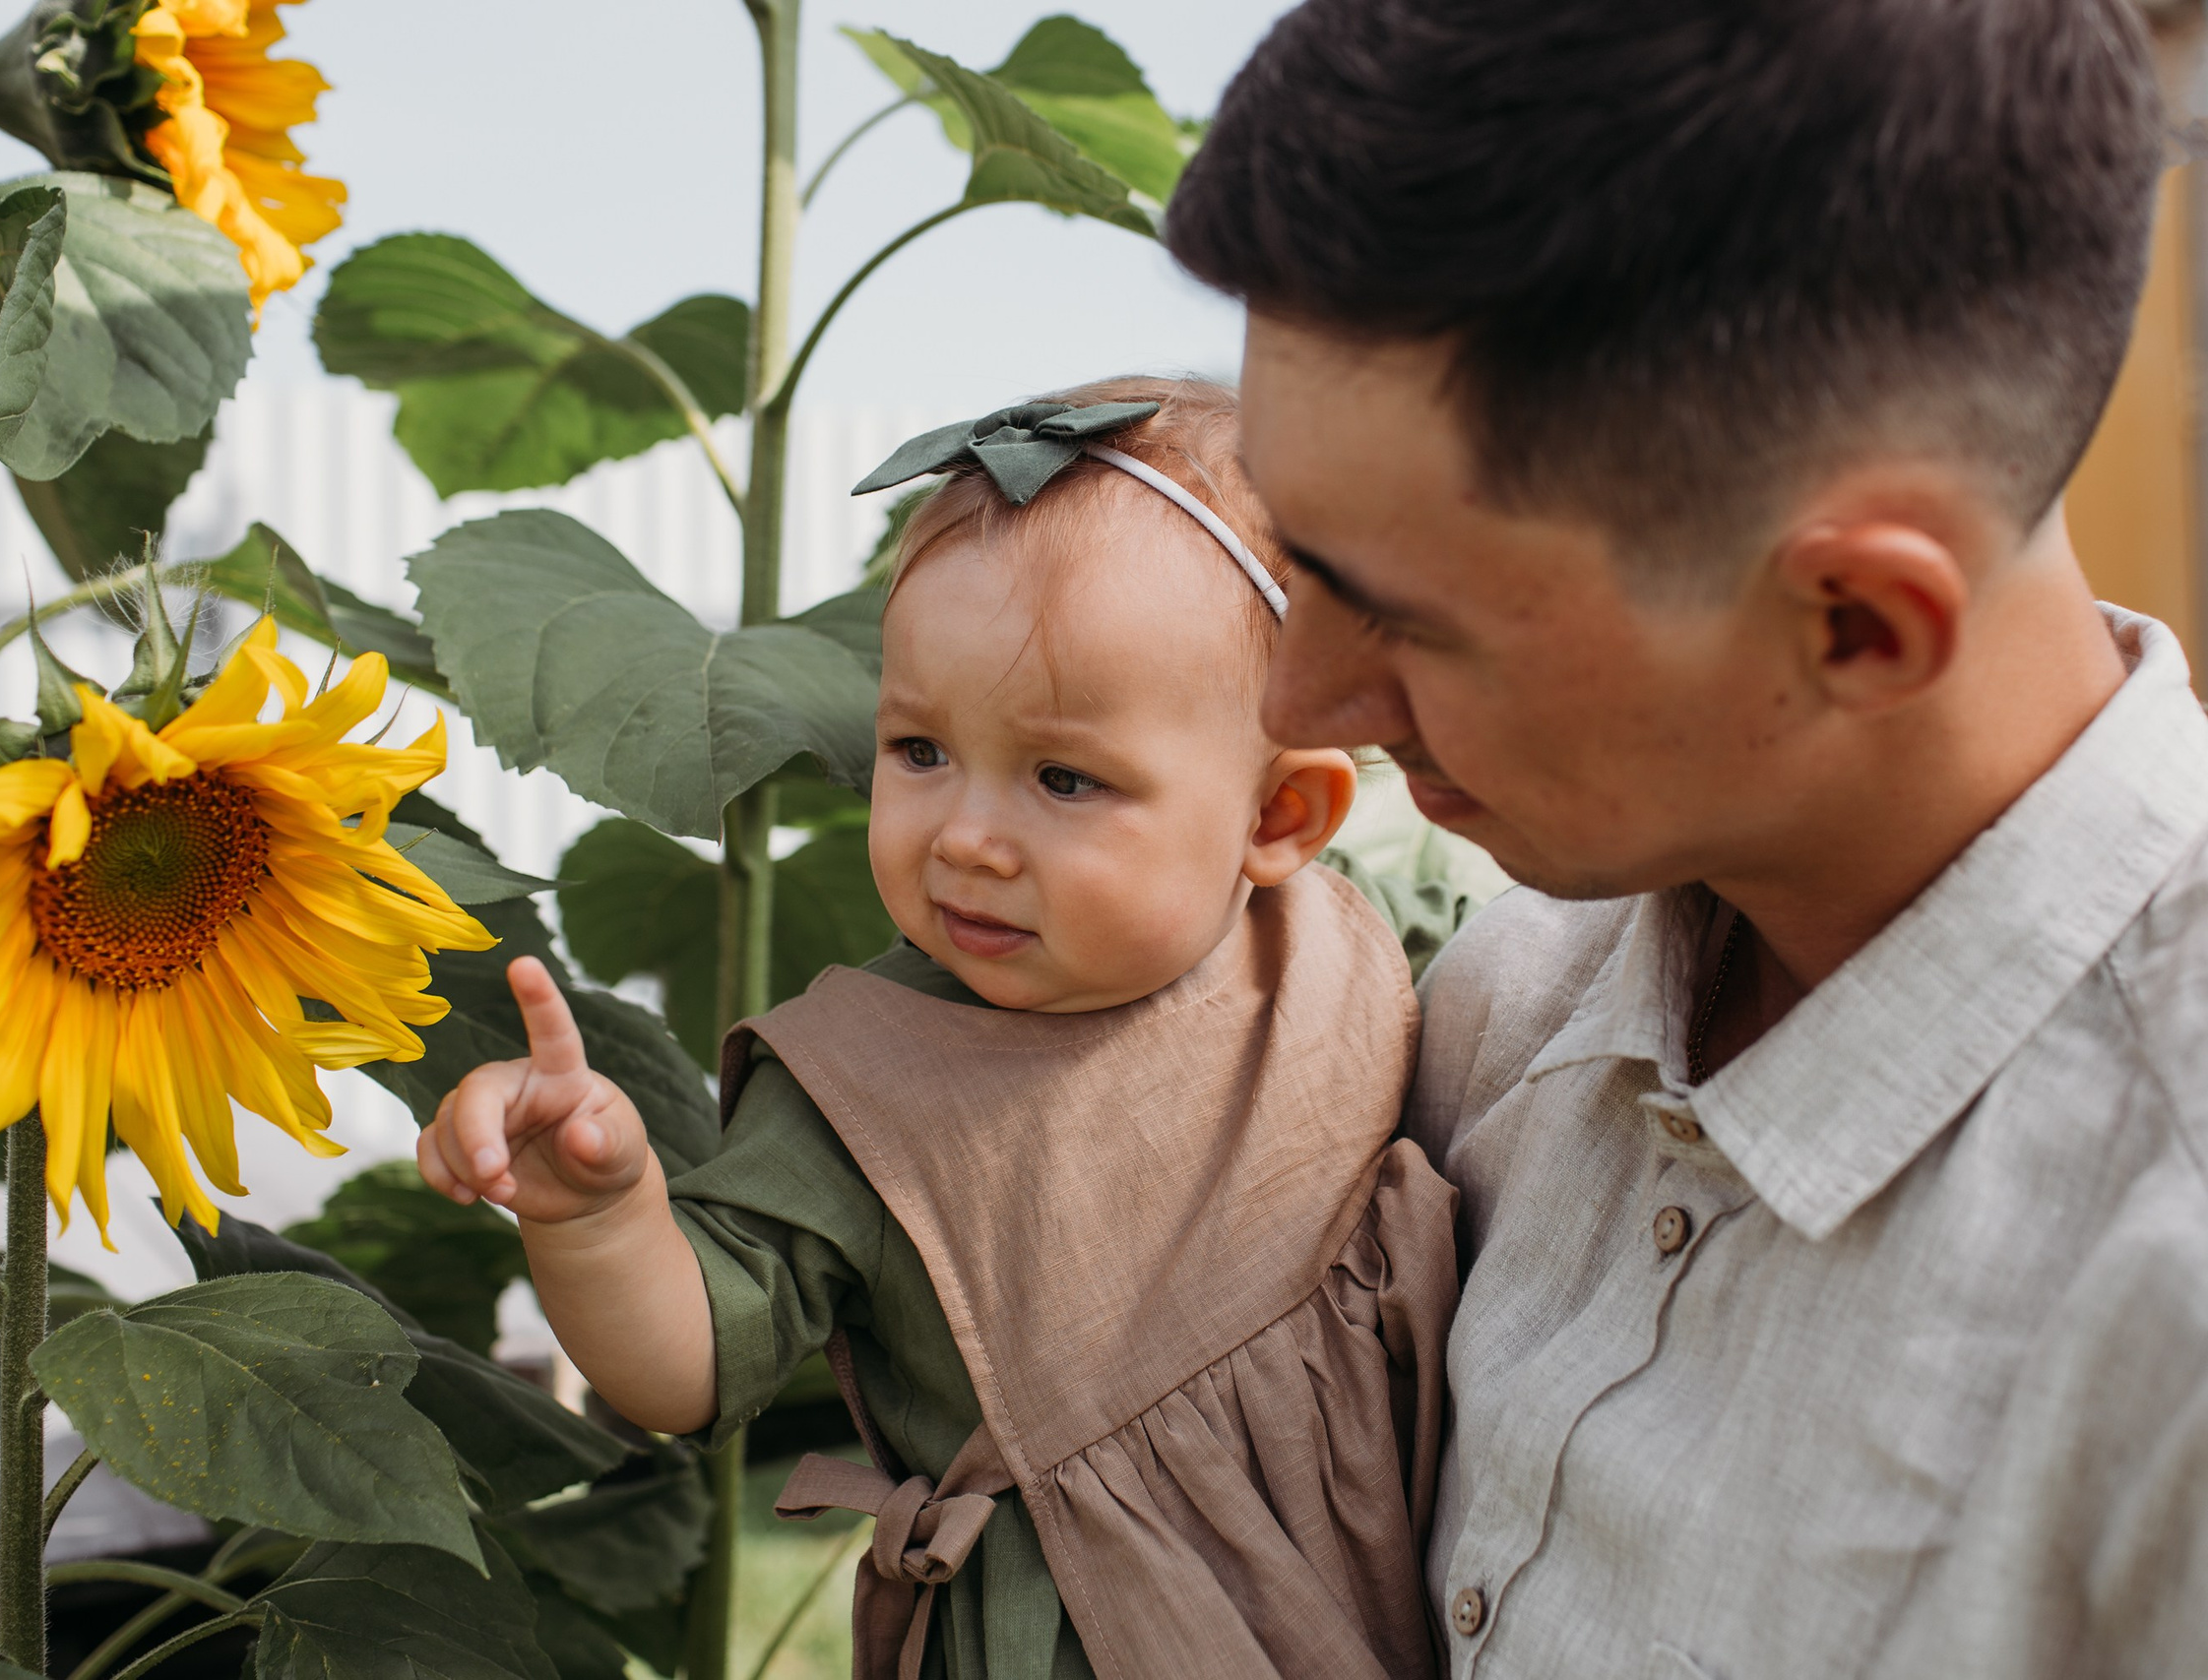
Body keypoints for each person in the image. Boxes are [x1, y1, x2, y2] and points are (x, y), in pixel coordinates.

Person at [1165, 1, 2208, 1675]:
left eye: (1408, 616)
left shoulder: (2165, 1298)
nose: (1303, 696)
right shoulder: (1497, 1007)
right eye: (1298, 563)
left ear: (1858, 624)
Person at [417, 379, 1462, 1680]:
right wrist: (595, 1217)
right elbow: (691, 1365)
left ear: (1277, 820)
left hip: (1375, 1605)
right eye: (919, 751)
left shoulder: (1353, 954)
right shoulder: (865, 1083)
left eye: (1064, 778)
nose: (965, 837)